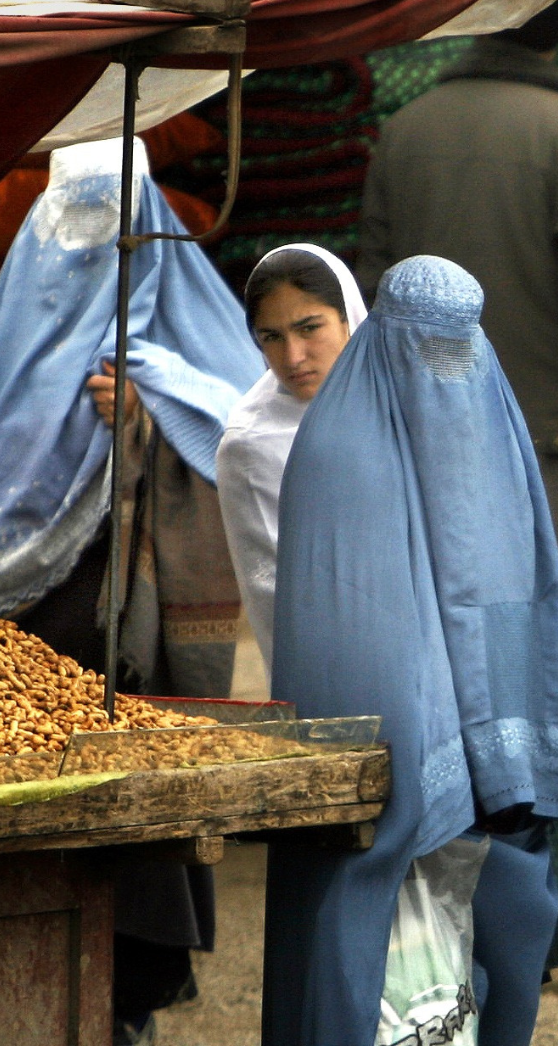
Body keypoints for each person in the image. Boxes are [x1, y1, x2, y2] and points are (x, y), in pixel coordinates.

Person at [0, 136, 264, 1045]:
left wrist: (147, 427)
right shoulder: (14, 321)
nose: (88, 236)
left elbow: (252, 433)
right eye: (72, 210)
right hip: (20, 644)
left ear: (147, 219)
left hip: (131, 653)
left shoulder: (183, 308)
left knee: (127, 890)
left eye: (109, 214)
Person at [264, 255, 558, 1046]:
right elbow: (361, 647)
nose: (446, 370)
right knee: (353, 965)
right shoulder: (340, 457)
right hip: (392, 774)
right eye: (426, 348)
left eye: (459, 348)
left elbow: (509, 598)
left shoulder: (494, 434)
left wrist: (502, 759)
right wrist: (441, 770)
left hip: (483, 793)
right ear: (383, 337)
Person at [356, 0, 558, 531]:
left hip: (426, 425)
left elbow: (372, 285)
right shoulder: (553, 127)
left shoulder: (404, 127)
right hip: (542, 434)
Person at [215, 244, 366, 682]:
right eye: (271, 337)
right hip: (335, 666)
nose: (293, 357)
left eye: (309, 328)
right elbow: (278, 594)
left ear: (348, 320)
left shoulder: (401, 400)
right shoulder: (251, 444)